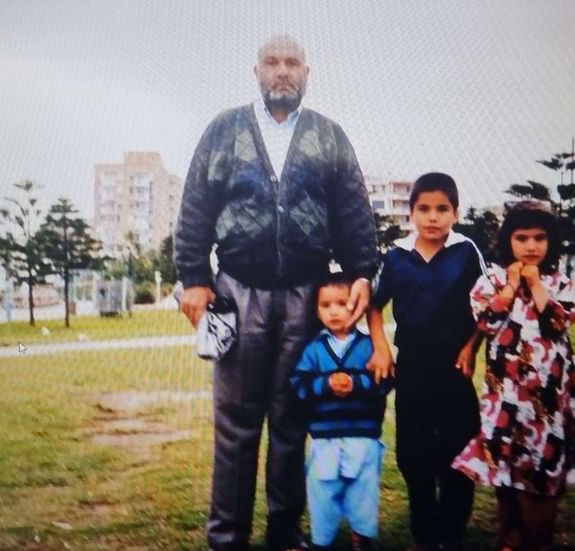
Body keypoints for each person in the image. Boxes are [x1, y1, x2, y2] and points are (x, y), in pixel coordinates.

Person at [174, 34, 379, 551]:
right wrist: (193, 277)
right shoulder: (222, 130)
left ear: (308, 72)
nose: (282, 71)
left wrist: (361, 272)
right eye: (272, 62)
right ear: (256, 71)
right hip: (237, 293)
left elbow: (354, 212)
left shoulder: (330, 137)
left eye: (292, 63)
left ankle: (285, 534)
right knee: (237, 428)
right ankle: (228, 538)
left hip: (306, 296)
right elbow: (195, 205)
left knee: (292, 421)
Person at [452, 200, 575, 551]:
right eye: (522, 238)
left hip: (547, 396)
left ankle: (538, 538)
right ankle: (509, 537)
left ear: (551, 242)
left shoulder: (560, 282)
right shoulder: (492, 279)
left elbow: (560, 322)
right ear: (508, 241)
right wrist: (510, 286)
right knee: (506, 468)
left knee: (541, 467)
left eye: (539, 238)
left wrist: (535, 286)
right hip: (505, 395)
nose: (531, 246)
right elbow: (484, 321)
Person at [367, 172, 487, 551]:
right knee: (413, 452)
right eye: (424, 209)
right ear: (411, 212)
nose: (432, 217)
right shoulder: (397, 256)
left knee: (460, 446)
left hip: (455, 367)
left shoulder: (467, 251)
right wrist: (382, 348)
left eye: (442, 209)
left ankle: (452, 529)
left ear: (455, 213)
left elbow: (487, 308)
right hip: (413, 367)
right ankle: (424, 527)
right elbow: (373, 306)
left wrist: (471, 348)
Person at [290, 273, 391, 551]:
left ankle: (362, 535)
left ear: (358, 305)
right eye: (326, 305)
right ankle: (322, 539)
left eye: (342, 303)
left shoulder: (370, 346)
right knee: (323, 489)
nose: (334, 311)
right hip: (325, 437)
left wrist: (357, 382)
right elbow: (298, 385)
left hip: (363, 436)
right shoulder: (313, 349)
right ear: (316, 310)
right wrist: (325, 384)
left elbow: (386, 381)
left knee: (363, 490)